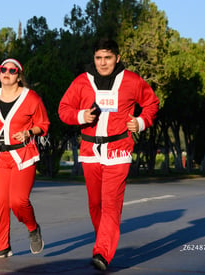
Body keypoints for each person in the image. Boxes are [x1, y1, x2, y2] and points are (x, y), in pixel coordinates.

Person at [58, 38, 159, 271]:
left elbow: (151, 103)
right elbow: (64, 109)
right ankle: (102, 240)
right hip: (90, 151)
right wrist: (81, 116)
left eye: (108, 58)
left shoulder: (132, 81)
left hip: (119, 149)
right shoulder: (82, 81)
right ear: (94, 58)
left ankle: (103, 252)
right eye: (98, 58)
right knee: (96, 204)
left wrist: (141, 122)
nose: (103, 63)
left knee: (111, 203)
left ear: (117, 58)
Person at [0, 58, 50, 258]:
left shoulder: (31, 98)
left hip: (23, 155)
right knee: (0, 202)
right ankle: (3, 246)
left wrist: (29, 132)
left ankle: (33, 228)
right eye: (3, 69)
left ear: (19, 75)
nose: (6, 72)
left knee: (18, 201)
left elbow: (43, 125)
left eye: (12, 70)